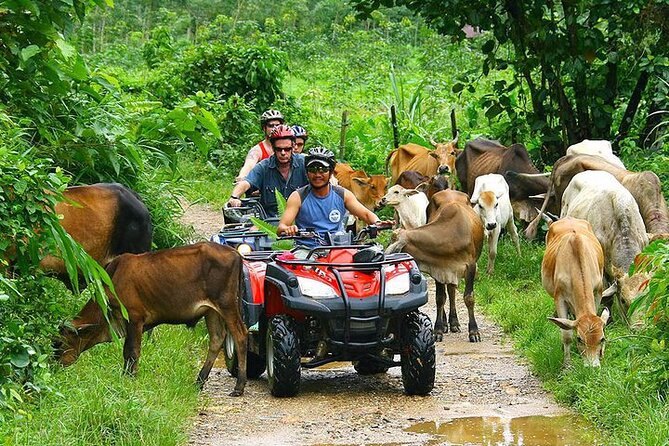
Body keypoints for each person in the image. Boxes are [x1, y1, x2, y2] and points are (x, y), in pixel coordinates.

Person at [277, 147, 391, 247]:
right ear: (307, 173)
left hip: (338, 249)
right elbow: (282, 227)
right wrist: (288, 229)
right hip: (307, 251)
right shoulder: (298, 196)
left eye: (323, 170)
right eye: (312, 169)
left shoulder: (343, 194)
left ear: (331, 172)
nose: (317, 174)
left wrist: (377, 223)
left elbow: (366, 214)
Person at [228, 125, 308, 217]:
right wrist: (234, 197)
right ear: (273, 148)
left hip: (301, 221)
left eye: (287, 149)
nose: (283, 153)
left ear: (293, 147)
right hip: (270, 223)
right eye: (279, 149)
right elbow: (246, 182)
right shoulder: (264, 167)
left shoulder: (304, 163)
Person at [235, 109, 284, 183]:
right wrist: (242, 176)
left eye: (277, 125)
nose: (275, 128)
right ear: (264, 128)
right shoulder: (257, 150)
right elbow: (249, 164)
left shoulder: (288, 147)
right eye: (271, 126)